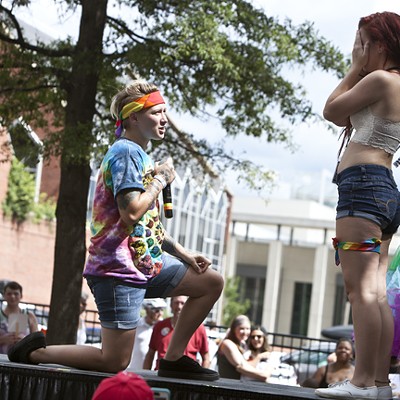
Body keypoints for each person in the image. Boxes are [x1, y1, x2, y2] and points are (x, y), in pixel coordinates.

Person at [8, 79, 224, 382]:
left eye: (165, 112)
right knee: (114, 361)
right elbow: (132, 211)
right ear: (134, 117)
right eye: (157, 112)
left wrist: (185, 254)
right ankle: (34, 352)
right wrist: (160, 181)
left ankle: (174, 359)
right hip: (117, 271)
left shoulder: (140, 155)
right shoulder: (125, 153)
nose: (164, 119)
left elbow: (146, 227)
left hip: (144, 265)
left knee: (211, 282)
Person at [314, 11, 400, 400]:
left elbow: (332, 110)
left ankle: (363, 381)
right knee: (376, 292)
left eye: (363, 43)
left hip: (362, 190)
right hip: (384, 192)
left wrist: (353, 67)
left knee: (360, 291)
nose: (358, 50)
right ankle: (379, 383)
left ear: (380, 46)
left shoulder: (381, 80)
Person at [143, 296, 210, 370]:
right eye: (176, 303)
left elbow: (206, 357)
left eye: (182, 303)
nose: (179, 307)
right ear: (171, 305)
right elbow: (150, 355)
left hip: (188, 376)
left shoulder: (198, 327)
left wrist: (201, 379)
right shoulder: (159, 326)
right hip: (162, 375)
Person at [217, 315, 273, 382]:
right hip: (229, 385)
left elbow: (247, 366)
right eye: (241, 329)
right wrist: (263, 375)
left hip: (240, 384)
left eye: (247, 329)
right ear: (234, 329)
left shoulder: (243, 344)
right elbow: (242, 367)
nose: (245, 332)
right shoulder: (227, 344)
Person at [127, 297, 167, 370]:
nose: (160, 313)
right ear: (147, 310)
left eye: (162, 310)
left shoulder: (163, 328)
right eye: (157, 310)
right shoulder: (136, 325)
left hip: (154, 371)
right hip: (134, 369)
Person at [0, 281, 38, 354]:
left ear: (21, 296)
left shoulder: (29, 316)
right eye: (9, 294)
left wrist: (25, 340)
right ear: (4, 295)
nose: (12, 297)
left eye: (16, 294)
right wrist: (3, 340)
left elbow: (36, 341)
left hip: (22, 357)